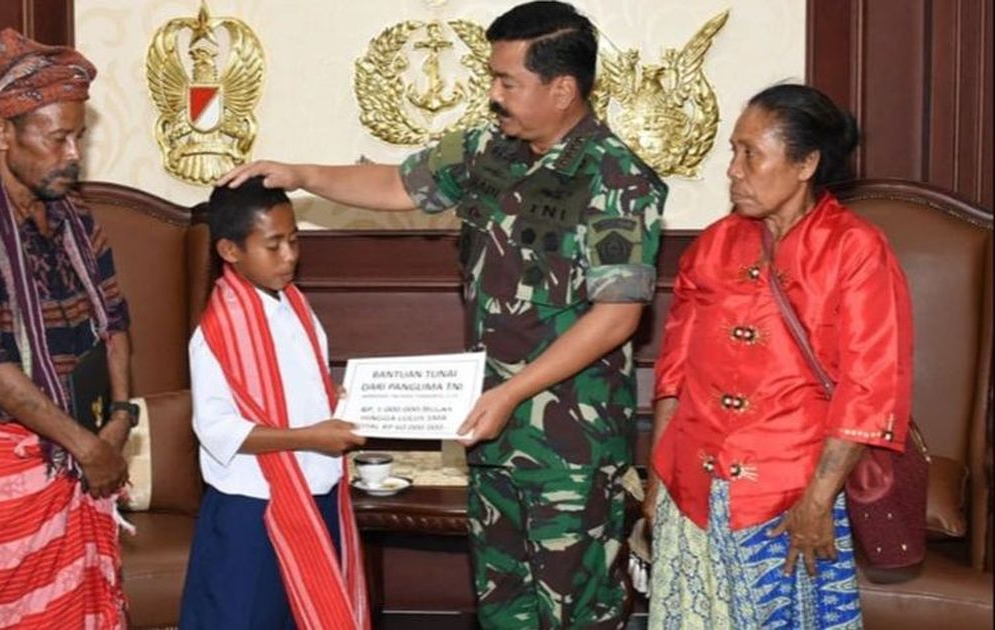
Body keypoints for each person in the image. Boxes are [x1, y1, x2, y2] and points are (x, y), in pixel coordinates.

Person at [222, 2, 666, 627]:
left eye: (507, 80)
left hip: (571, 451)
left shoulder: (617, 180)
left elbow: (617, 315)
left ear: (562, 89)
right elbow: (396, 186)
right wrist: (300, 174)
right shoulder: (490, 149)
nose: (493, 94)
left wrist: (512, 392)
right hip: (491, 436)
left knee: (577, 613)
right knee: (502, 608)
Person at [645, 83, 914, 628]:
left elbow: (870, 389)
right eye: (733, 151)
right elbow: (673, 376)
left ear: (806, 163)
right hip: (693, 490)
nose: (734, 170)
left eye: (751, 154)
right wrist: (657, 484)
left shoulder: (855, 248)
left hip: (790, 498)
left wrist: (816, 504)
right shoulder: (713, 246)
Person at [0, 29, 133, 628]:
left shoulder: (76, 218)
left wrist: (118, 419)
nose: (72, 155)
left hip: (90, 447)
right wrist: (86, 445)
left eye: (79, 138)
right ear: (3, 133)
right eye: (57, 137)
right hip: (7, 465)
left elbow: (114, 321)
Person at [179, 178, 369, 629]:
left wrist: (333, 395)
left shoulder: (296, 306)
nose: (289, 255)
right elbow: (218, 429)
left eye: (295, 240)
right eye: (274, 245)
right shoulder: (216, 333)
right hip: (254, 510)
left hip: (316, 490)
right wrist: (309, 437)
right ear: (230, 251)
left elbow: (300, 384)